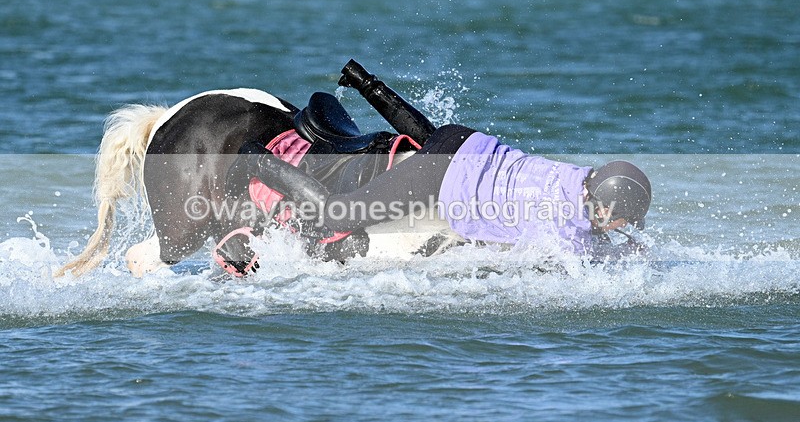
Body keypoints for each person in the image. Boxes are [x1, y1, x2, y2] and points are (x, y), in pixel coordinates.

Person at [237, 118, 651, 261]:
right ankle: (255, 158)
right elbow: (576, 268)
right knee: (337, 215)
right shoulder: (565, 222)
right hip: (442, 175)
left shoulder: (577, 176)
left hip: (464, 140)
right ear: (603, 208)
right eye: (622, 219)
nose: (621, 226)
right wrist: (617, 258)